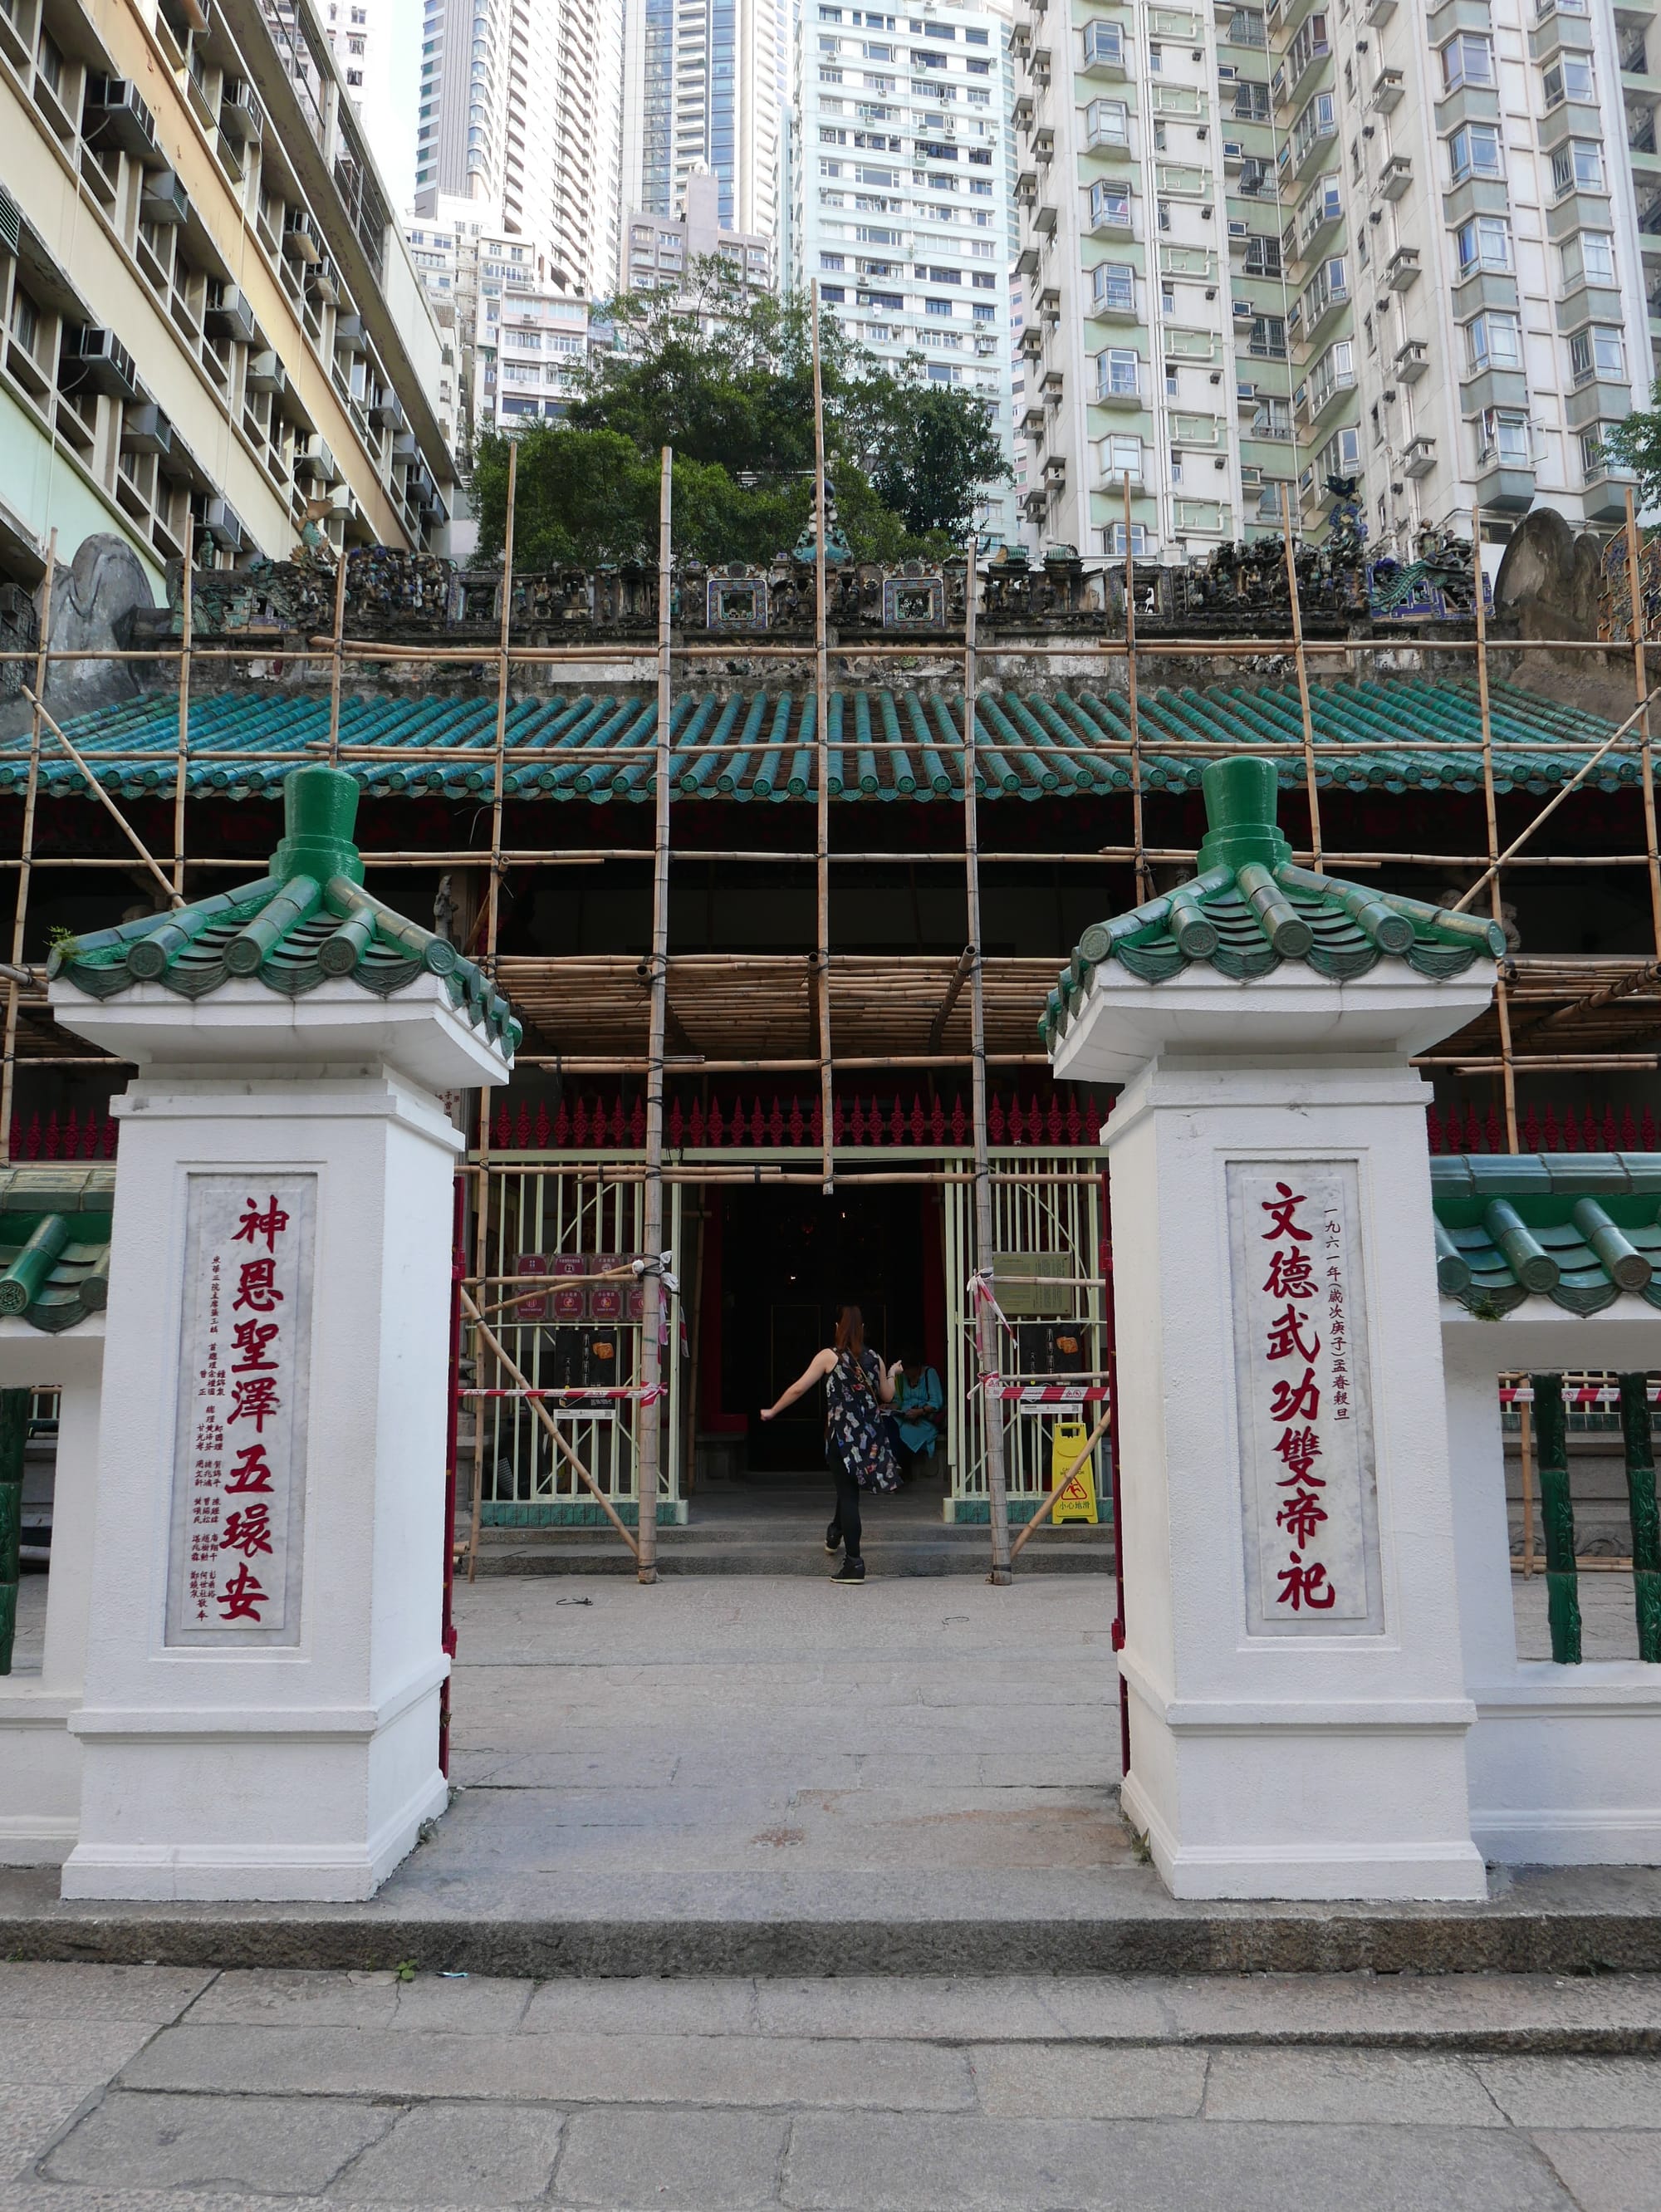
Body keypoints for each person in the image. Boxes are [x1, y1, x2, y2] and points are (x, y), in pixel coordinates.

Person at [761, 1302, 900, 1583]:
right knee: (847, 1490)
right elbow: (887, 1395)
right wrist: (892, 1374)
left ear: (838, 1328)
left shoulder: (830, 1357)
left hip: (841, 1439)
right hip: (868, 1440)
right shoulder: (875, 1358)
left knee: (849, 1496)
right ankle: (836, 1531)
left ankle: (855, 1564)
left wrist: (774, 1410)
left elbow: (799, 1387)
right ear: (862, 1330)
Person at [889, 1350, 944, 1480]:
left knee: (903, 1433)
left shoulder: (929, 1374)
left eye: (910, 1370)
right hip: (905, 1417)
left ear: (918, 1367)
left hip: (924, 1421)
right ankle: (893, 1464)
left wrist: (920, 1411)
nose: (907, 1374)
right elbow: (898, 1401)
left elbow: (937, 1402)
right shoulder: (902, 1377)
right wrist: (889, 1407)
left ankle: (897, 1467)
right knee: (887, 1423)